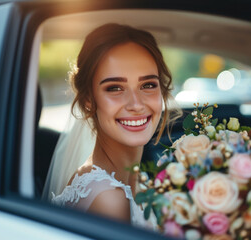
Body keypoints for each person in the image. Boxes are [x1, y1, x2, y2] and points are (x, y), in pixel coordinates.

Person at [43, 23, 180, 228]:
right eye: (115, 88)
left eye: (148, 85)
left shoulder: (137, 182)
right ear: (89, 99)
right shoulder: (108, 199)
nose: (136, 104)